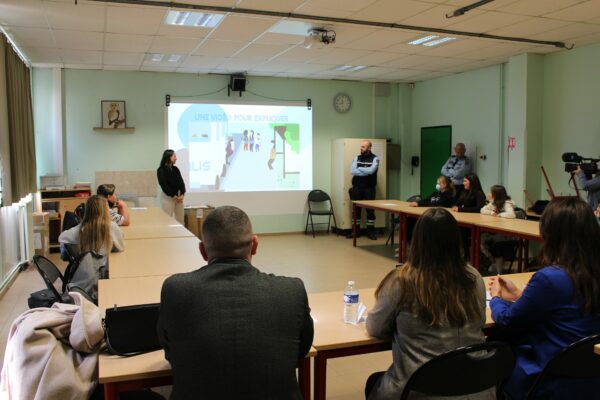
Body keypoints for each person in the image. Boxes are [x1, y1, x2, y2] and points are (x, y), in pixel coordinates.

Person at [157, 206, 314, 400]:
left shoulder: (175, 289)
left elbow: (171, 352)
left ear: (203, 250)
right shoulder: (291, 290)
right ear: (254, 245)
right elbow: (302, 349)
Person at [365, 208, 491, 400]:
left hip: (423, 390)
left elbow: (375, 327)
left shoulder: (402, 281)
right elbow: (480, 320)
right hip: (477, 388)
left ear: (417, 240)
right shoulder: (473, 277)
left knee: (374, 383)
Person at [489, 197, 600, 399]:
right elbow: (572, 305)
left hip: (550, 380)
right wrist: (521, 295)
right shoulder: (590, 272)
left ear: (551, 234)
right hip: (592, 380)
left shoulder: (550, 278)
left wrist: (496, 298)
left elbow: (508, 320)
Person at [58, 196, 124, 300]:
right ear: (105, 210)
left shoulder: (80, 228)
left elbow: (62, 237)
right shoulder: (111, 227)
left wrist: (76, 250)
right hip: (105, 277)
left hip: (86, 277)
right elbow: (120, 247)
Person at [480, 185, 516, 273]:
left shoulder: (507, 203)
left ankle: (498, 262)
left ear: (496, 194)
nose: (488, 194)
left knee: (491, 242)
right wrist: (491, 212)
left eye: (490, 192)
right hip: (494, 231)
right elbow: (482, 210)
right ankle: (494, 261)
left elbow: (512, 215)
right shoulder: (493, 203)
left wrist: (500, 215)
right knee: (481, 240)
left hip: (505, 233)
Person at [349, 140, 380, 240]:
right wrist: (365, 171)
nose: (361, 148)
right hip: (357, 188)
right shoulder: (356, 158)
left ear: (369, 148)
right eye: (361, 146)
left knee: (370, 211)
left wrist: (360, 168)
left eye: (363, 147)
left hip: (369, 189)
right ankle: (355, 232)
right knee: (356, 211)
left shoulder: (375, 158)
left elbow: (371, 171)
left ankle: (370, 232)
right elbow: (352, 170)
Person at [157, 149, 186, 224]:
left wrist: (182, 194)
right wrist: (174, 196)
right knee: (167, 220)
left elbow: (181, 183)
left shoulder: (176, 169)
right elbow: (164, 185)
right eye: (174, 156)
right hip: (168, 198)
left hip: (179, 198)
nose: (176, 158)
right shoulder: (161, 170)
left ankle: (181, 235)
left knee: (181, 220)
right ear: (168, 157)